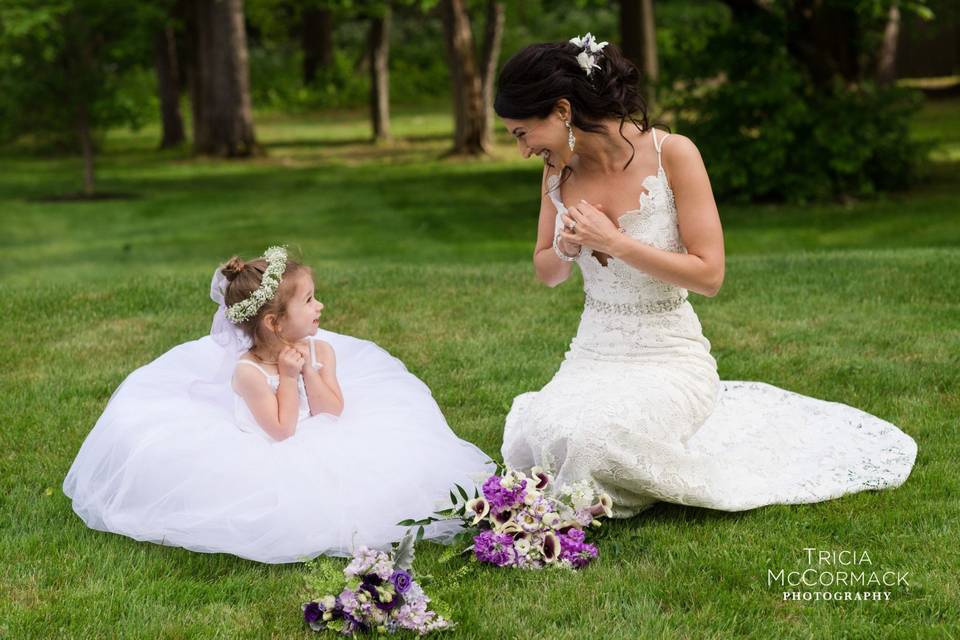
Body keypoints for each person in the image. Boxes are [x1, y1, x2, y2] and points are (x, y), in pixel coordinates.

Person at [496, 35, 917, 516]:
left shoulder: (673, 153)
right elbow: (546, 273)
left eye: (521, 133)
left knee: (588, 441)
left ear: (562, 111)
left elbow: (710, 275)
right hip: (593, 352)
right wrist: (566, 247)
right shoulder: (556, 172)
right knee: (538, 437)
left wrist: (616, 243)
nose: (523, 149)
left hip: (669, 357)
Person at [63, 246, 494, 563]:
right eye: (308, 301)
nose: (320, 305)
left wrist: (308, 369)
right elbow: (283, 431)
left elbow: (331, 412)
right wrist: (287, 377)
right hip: (272, 436)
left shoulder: (321, 350)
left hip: (310, 411)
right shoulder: (248, 373)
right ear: (273, 322)